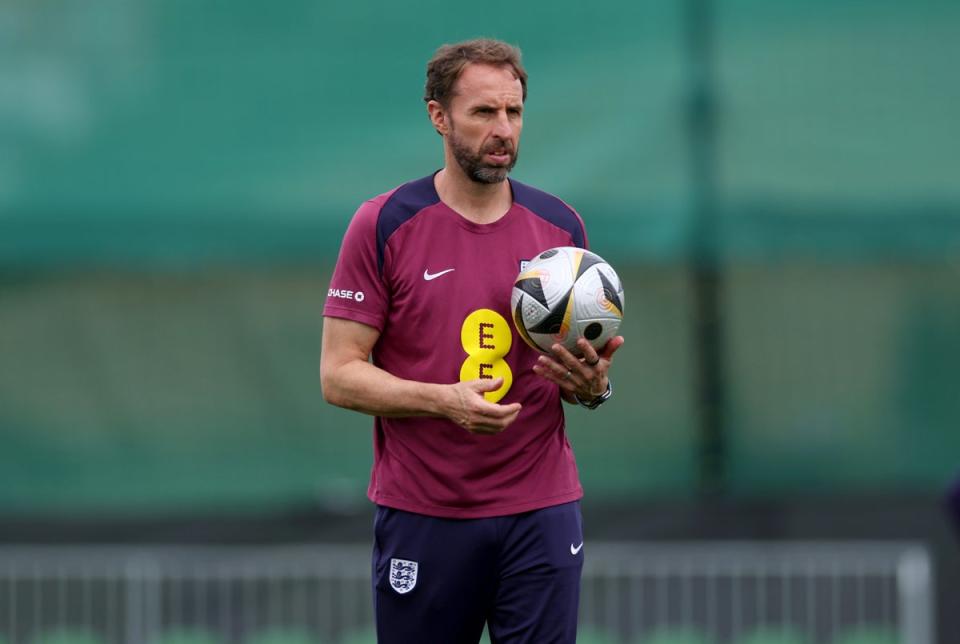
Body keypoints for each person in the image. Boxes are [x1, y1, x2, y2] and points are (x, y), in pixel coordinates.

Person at [320, 38, 624, 644]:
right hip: (426, 514)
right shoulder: (383, 224)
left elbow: (579, 379)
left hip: (540, 509)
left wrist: (592, 388)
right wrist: (444, 400)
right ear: (439, 116)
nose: (502, 129)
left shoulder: (562, 231)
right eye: (484, 112)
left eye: (513, 112)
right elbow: (338, 375)